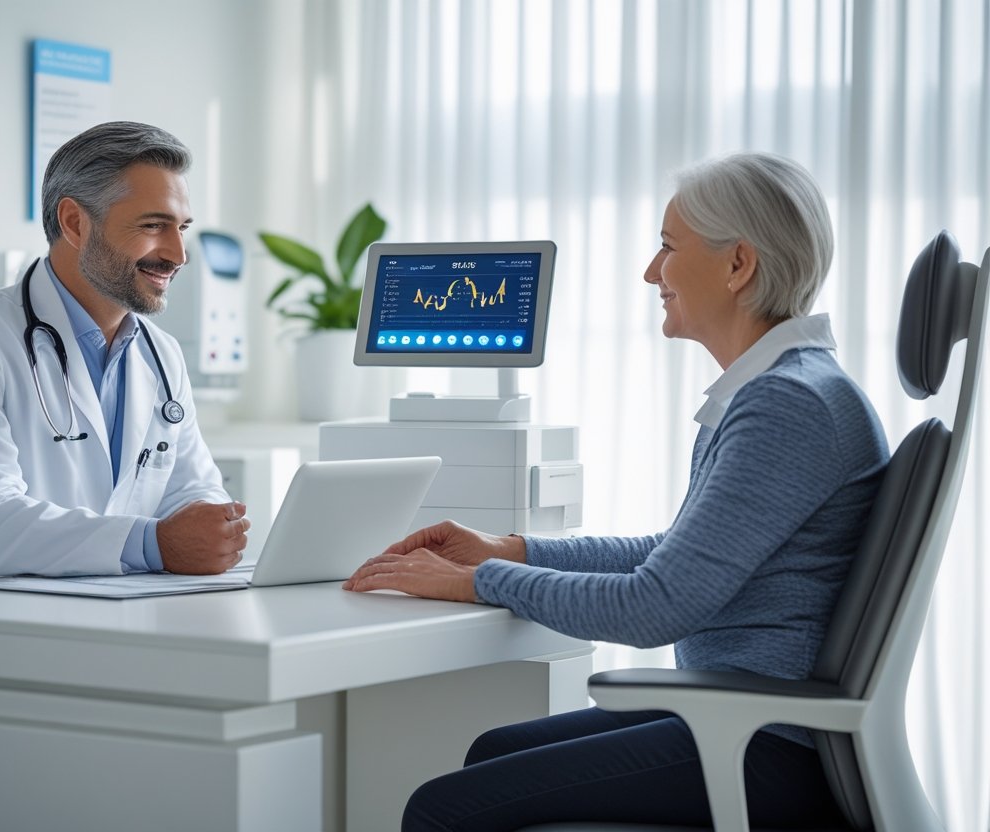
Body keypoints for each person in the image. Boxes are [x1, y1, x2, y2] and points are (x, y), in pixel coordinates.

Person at [344, 152, 889, 829]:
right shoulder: (790, 388)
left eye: (667, 247)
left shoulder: (786, 403)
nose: (651, 272)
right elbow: (675, 555)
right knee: (491, 750)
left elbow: (654, 608)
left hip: (761, 743)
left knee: (441, 809)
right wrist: (513, 548)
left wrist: (478, 580)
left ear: (737, 265)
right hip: (747, 717)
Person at [0, 121, 248, 583]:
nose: (178, 254)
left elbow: (190, 490)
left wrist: (211, 526)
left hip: (99, 616)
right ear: (75, 223)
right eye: (154, 226)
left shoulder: (161, 354)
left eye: (181, 228)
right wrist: (156, 543)